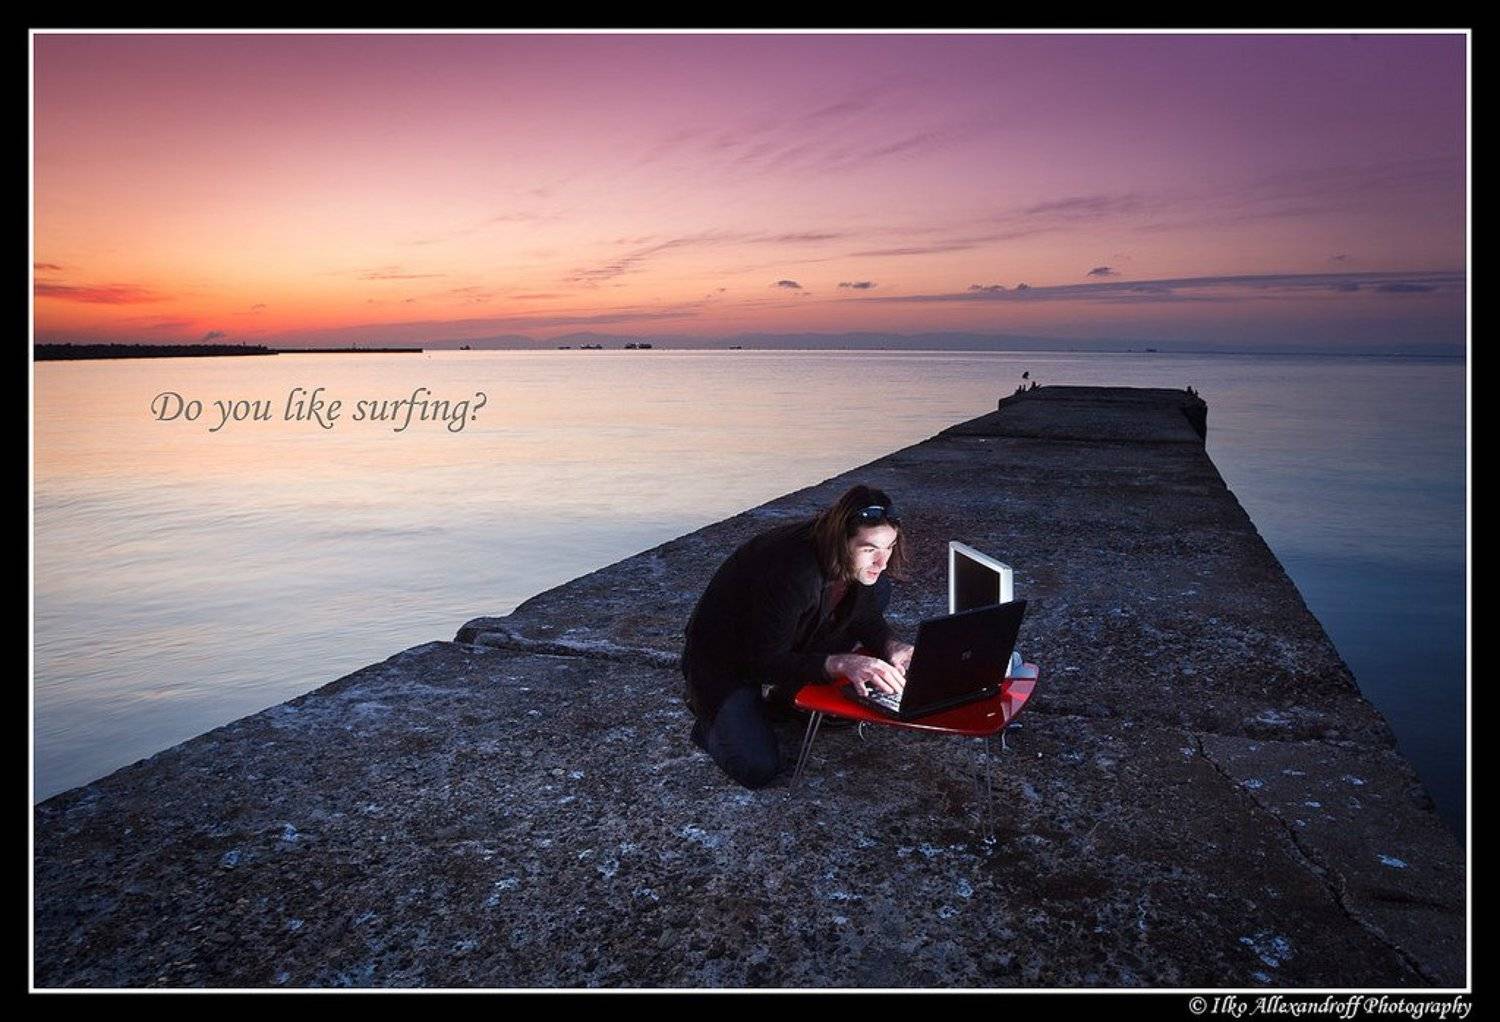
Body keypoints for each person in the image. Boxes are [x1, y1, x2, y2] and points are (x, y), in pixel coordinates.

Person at [679, 484, 916, 788]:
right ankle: (710, 718)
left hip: (785, 637)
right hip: (729, 657)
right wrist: (840, 664)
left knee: (878, 586)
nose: (882, 562)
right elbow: (760, 661)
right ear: (841, 542)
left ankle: (785, 696)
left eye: (889, 547)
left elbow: (865, 616)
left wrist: (890, 645)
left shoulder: (852, 562)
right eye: (869, 549)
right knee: (756, 767)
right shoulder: (792, 571)